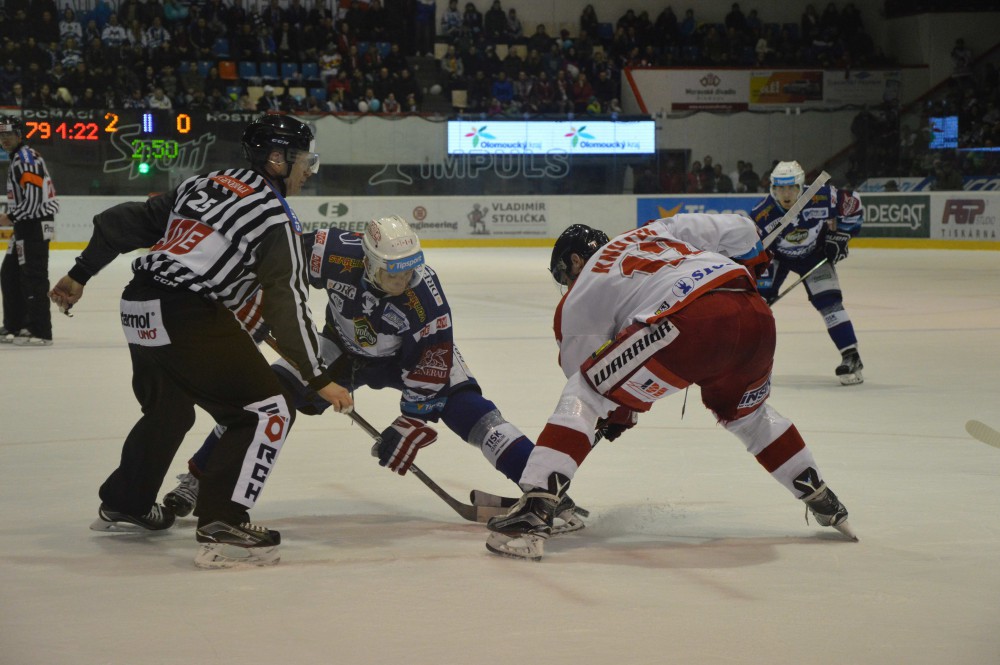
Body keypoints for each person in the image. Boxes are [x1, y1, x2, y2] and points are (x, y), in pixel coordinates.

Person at [47, 115, 353, 569]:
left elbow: (125, 221)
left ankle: (127, 500)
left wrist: (80, 273)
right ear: (277, 159)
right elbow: (286, 306)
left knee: (169, 410)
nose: (310, 168)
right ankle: (223, 521)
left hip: (139, 305)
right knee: (266, 410)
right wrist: (318, 377)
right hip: (185, 312)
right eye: (305, 159)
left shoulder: (206, 182)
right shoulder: (274, 216)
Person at [163, 215, 586, 537]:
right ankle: (199, 480)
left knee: (477, 417)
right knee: (267, 398)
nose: (404, 280)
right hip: (340, 347)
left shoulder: (426, 301)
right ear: (367, 261)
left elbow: (430, 366)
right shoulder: (331, 250)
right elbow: (275, 265)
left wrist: (410, 422)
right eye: (393, 272)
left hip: (412, 359)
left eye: (410, 270)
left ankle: (547, 495)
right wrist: (250, 300)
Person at [485, 217, 857, 560]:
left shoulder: (578, 297)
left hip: (685, 324)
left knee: (585, 390)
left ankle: (535, 508)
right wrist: (752, 268)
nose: (567, 283)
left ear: (577, 260)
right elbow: (743, 230)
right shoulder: (654, 230)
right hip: (754, 313)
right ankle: (822, 498)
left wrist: (619, 414)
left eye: (565, 273)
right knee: (749, 416)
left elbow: (589, 381)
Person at [750, 161, 865, 385]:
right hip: (777, 258)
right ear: (772, 188)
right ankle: (747, 360)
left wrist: (842, 234)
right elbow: (753, 249)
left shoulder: (822, 197)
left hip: (815, 255)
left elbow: (854, 204)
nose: (786, 193)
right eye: (781, 188)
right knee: (757, 304)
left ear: (801, 186)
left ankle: (851, 355)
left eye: (791, 187)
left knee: (829, 303)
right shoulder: (761, 214)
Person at [0, 115, 59, 346]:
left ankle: (40, 330)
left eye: (8, 134)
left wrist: (9, 216)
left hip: (34, 224)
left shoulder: (25, 159)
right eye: (1, 135)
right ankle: (15, 325)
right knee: (10, 272)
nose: (4, 139)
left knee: (33, 276)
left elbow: (34, 199)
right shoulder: (19, 157)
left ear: (19, 135)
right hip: (26, 223)